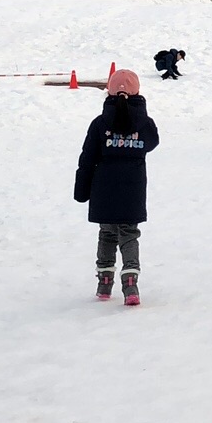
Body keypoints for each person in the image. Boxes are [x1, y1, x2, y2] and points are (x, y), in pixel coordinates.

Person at [74, 69, 160, 306]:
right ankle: (131, 283)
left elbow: (87, 157)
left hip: (104, 189)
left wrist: (81, 190)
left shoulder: (100, 123)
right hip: (132, 189)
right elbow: (152, 142)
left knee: (108, 233)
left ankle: (104, 283)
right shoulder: (144, 123)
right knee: (129, 234)